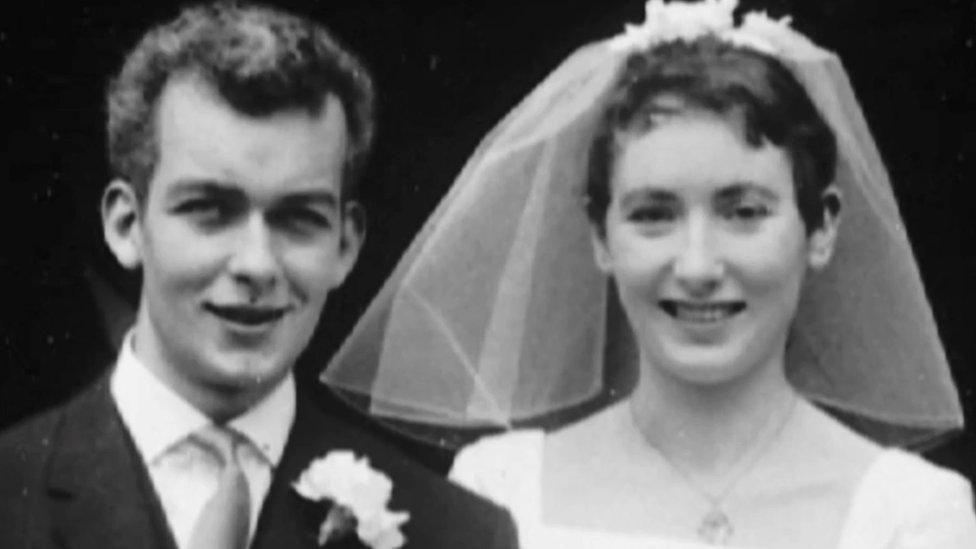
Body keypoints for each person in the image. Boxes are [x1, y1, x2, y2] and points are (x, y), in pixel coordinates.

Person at [321, 1, 976, 547]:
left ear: (822, 226)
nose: (696, 265)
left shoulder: (911, 515)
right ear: (600, 234)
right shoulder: (502, 487)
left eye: (743, 211)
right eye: (654, 214)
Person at [0, 3, 520, 549]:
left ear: (345, 244)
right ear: (127, 225)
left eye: (299, 219)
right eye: (210, 210)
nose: (256, 264)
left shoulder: (456, 533)